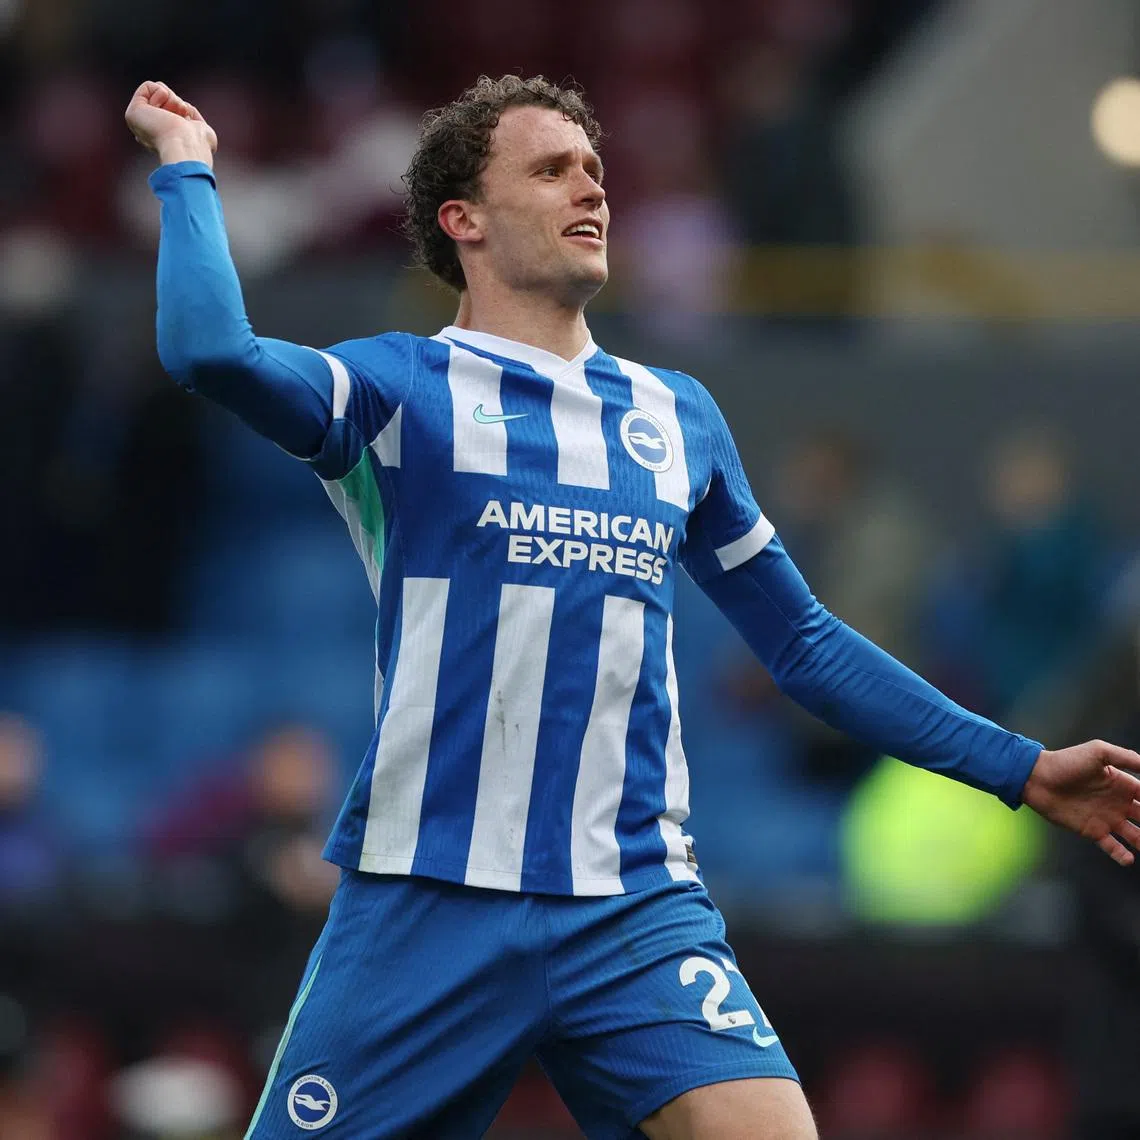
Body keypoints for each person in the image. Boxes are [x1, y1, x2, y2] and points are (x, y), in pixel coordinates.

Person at [125, 74, 1140, 1140]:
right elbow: (209, 354)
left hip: (633, 905)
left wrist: (1018, 768)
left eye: (597, 169)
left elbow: (801, 641)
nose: (590, 187)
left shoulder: (675, 415)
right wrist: (187, 166)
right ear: (462, 220)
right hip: (430, 898)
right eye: (550, 168)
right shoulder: (402, 390)